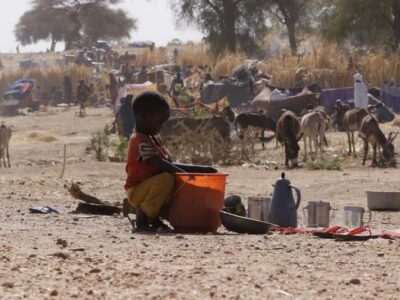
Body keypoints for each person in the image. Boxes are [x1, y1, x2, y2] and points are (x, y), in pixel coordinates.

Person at [124, 91, 217, 232]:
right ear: (144, 117)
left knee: (172, 179)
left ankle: (154, 219)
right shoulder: (139, 140)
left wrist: (204, 170)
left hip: (150, 189)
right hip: (137, 191)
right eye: (159, 123)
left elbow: (170, 165)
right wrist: (185, 175)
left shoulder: (154, 138)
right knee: (167, 178)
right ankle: (142, 218)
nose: (161, 127)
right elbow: (160, 164)